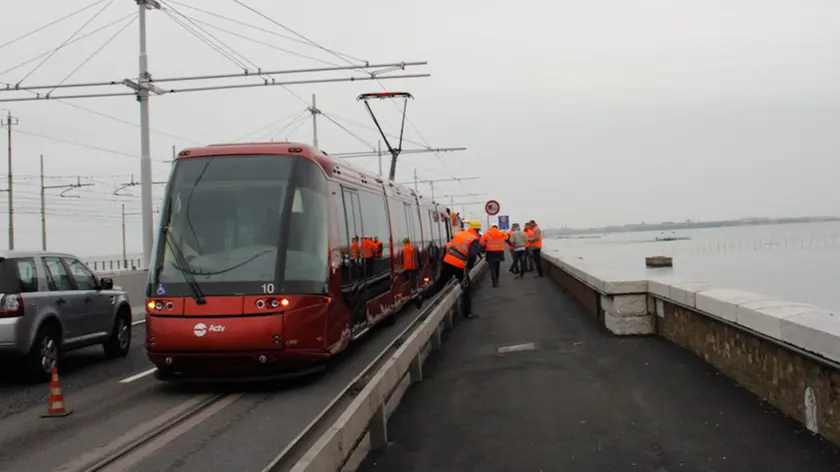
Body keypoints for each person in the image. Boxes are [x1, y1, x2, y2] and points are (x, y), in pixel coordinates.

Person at [415, 219, 481, 319]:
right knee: (467, 287)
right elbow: (472, 254)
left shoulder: (460, 234)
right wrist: (469, 267)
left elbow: (449, 246)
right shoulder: (474, 239)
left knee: (440, 283)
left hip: (448, 261)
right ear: (477, 230)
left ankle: (423, 296)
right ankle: (467, 313)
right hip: (459, 264)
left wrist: (443, 262)